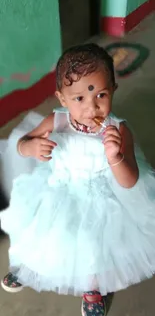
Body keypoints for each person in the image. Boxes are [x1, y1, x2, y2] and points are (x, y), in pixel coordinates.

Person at [1, 43, 155, 316]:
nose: (91, 107)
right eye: (79, 98)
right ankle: (29, 266)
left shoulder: (119, 130)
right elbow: (23, 143)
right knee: (45, 233)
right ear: (62, 98)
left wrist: (115, 156)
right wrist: (30, 148)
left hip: (104, 199)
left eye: (101, 95)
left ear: (113, 90)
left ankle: (94, 287)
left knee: (93, 245)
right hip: (60, 189)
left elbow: (130, 181)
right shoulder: (58, 121)